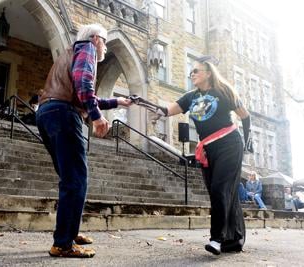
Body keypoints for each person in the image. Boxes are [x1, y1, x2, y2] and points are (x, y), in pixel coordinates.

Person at [36, 24, 132, 258]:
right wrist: (98, 118)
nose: (105, 48)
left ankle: (70, 232)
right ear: (97, 39)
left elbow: (83, 93)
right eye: (105, 42)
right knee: (76, 180)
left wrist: (117, 102)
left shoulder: (71, 52)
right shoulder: (88, 48)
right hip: (65, 114)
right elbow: (83, 85)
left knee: (71, 178)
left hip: (47, 112)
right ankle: (63, 244)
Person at [154, 56, 251, 255]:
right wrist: (150, 108)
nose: (192, 74)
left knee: (220, 189)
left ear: (208, 72)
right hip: (207, 148)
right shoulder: (190, 97)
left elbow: (245, 116)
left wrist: (248, 141)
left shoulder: (223, 91)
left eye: (196, 70)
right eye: (191, 71)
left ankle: (217, 239)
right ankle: (233, 239)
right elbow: (168, 109)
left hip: (229, 144)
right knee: (221, 193)